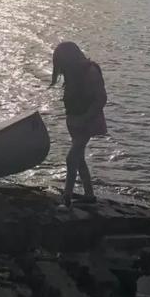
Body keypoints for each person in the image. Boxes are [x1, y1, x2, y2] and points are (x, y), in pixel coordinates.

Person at [49, 41, 107, 207]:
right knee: (78, 158)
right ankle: (89, 194)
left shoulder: (91, 71)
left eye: (61, 61)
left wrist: (86, 117)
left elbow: (101, 98)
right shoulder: (72, 73)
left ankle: (66, 197)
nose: (60, 66)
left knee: (71, 157)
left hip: (88, 121)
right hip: (75, 121)